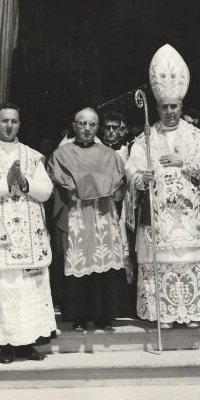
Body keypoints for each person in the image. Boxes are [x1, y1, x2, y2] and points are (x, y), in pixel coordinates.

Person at [126, 44, 200, 329]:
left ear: (181, 107)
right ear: (156, 107)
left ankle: (192, 312)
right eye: (164, 107)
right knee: (163, 261)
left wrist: (185, 162)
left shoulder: (199, 137)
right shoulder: (145, 138)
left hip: (192, 217)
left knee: (190, 260)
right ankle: (164, 313)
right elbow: (131, 169)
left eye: (174, 106)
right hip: (159, 217)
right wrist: (142, 178)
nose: (169, 111)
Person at [0, 103, 57, 364]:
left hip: (29, 236)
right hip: (0, 237)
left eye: (14, 121)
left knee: (29, 290)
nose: (9, 126)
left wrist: (26, 183)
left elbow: (46, 190)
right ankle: (6, 344)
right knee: (6, 289)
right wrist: (4, 184)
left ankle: (28, 343)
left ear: (19, 124)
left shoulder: (32, 156)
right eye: (4, 121)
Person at [48, 108, 130, 331]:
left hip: (102, 213)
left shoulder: (109, 154)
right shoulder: (62, 154)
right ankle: (79, 316)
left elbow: (119, 184)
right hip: (77, 214)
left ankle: (104, 315)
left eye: (92, 124)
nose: (86, 128)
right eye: (82, 123)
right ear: (74, 126)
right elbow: (58, 182)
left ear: (97, 128)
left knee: (103, 258)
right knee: (79, 258)